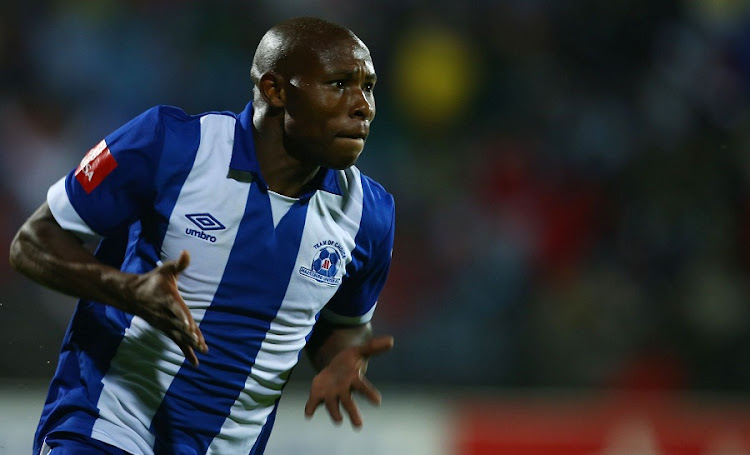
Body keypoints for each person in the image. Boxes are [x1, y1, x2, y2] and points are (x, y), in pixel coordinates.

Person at [9, 16, 395, 455]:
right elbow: (33, 242)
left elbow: (345, 327)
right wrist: (125, 289)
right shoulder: (171, 145)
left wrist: (341, 359)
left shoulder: (370, 216)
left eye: (368, 87)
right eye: (340, 84)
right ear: (276, 90)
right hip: (106, 429)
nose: (363, 105)